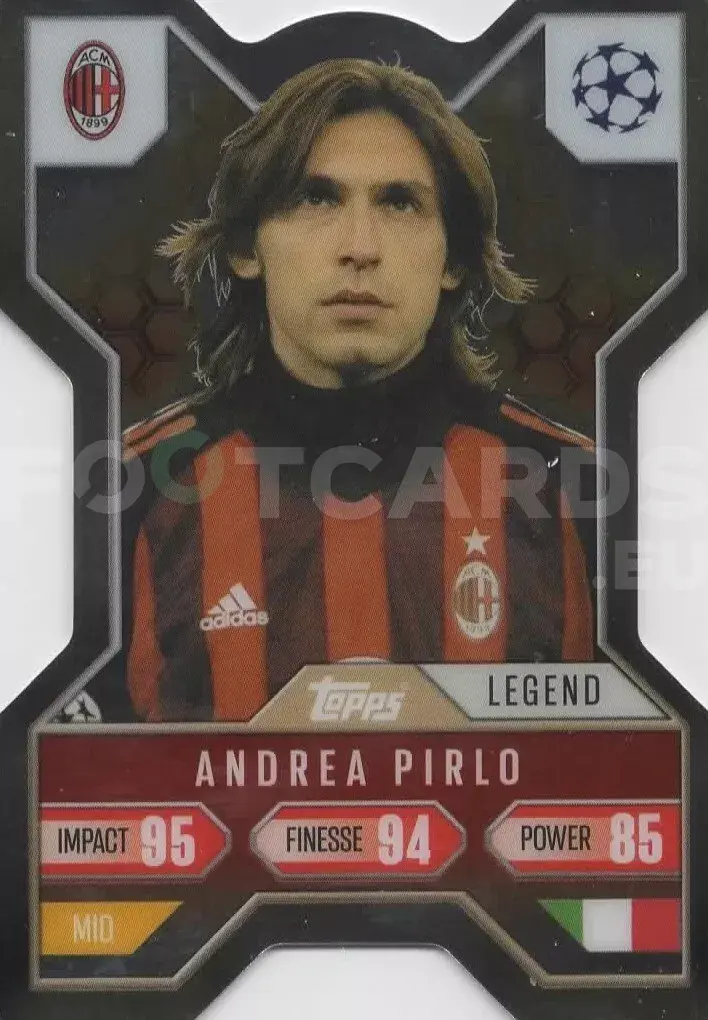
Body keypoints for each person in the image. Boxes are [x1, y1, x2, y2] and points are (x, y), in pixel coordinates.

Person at [89, 58, 596, 723]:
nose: (360, 247)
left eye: (400, 202)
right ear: (246, 247)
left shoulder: (571, 485)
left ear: (453, 257)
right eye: (316, 198)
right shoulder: (131, 495)